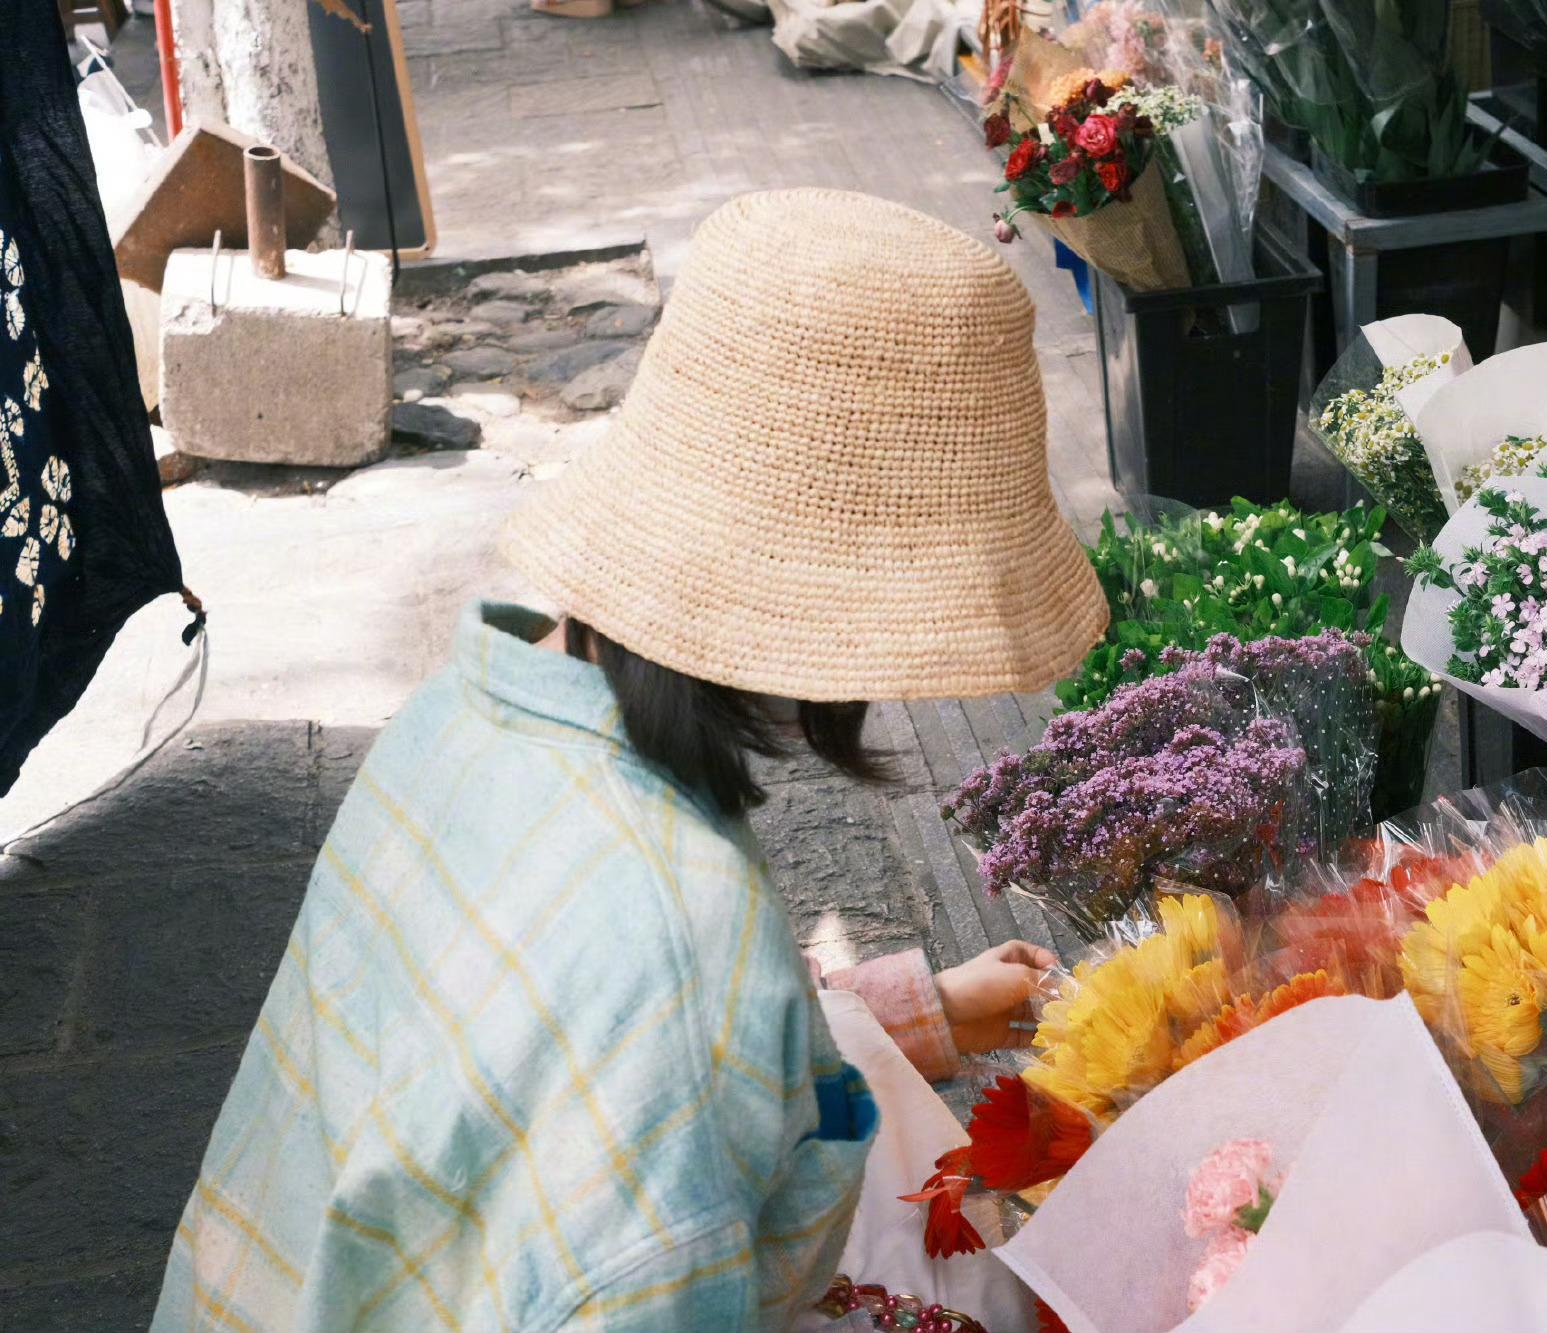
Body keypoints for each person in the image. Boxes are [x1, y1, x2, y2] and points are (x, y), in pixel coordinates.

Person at [151, 188, 1108, 1331]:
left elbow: (559, 1062)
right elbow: (662, 1084)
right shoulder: (688, 933)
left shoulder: (470, 704)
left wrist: (915, 1009)